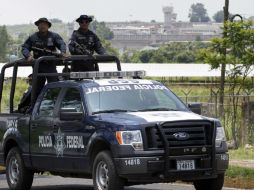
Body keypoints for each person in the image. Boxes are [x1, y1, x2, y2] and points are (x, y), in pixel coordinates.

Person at [21, 17, 67, 96]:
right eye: (41, 24)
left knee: (55, 88)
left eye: (45, 24)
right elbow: (25, 47)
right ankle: (34, 106)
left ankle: (54, 106)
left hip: (50, 66)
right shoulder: (33, 37)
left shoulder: (54, 36)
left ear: (48, 26)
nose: (43, 26)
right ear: (38, 26)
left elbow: (62, 44)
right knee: (37, 90)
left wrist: (62, 52)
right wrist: (28, 55)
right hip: (38, 67)